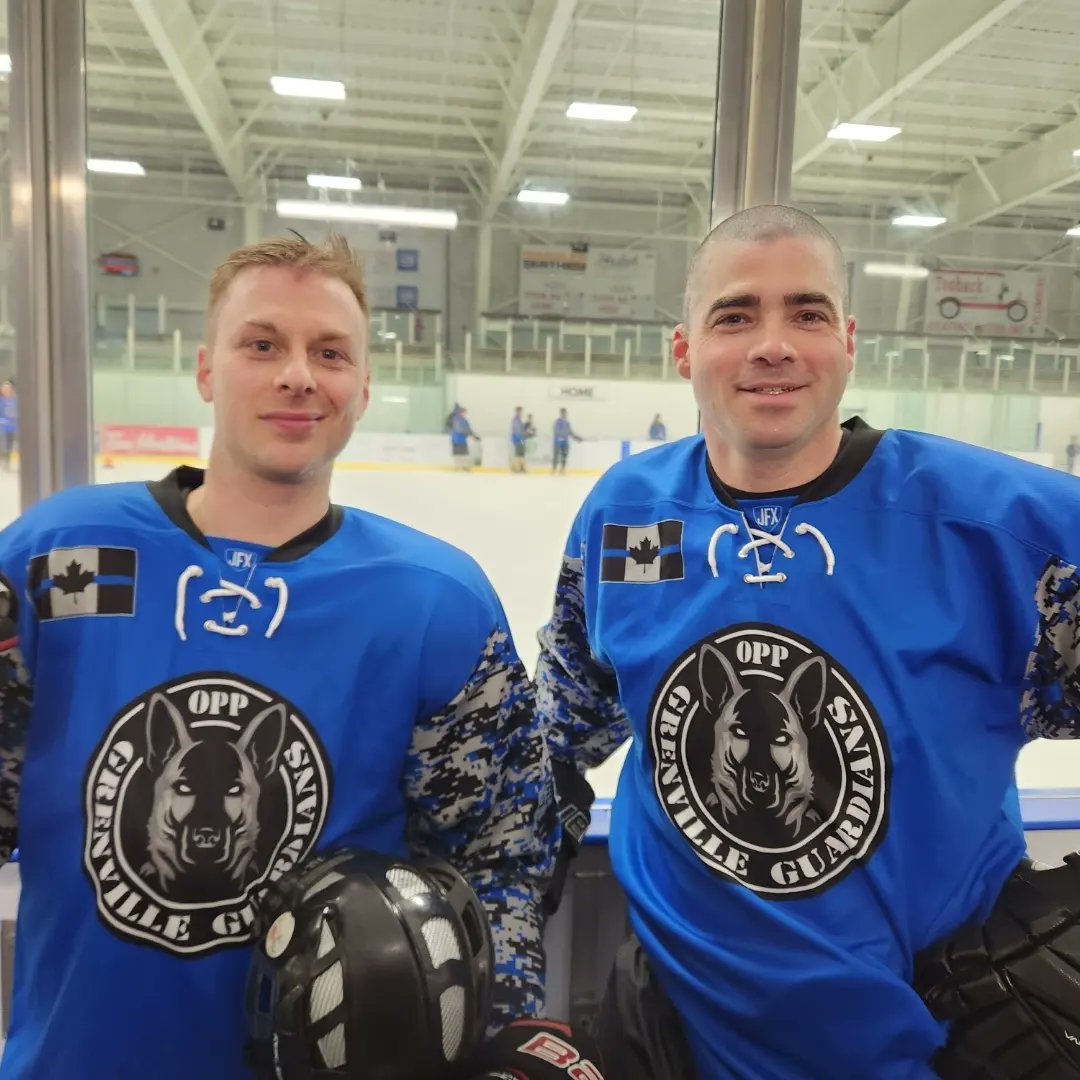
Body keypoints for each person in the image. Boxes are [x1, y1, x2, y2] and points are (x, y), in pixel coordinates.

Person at [535, 204, 1080, 1078]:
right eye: (736, 315)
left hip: (931, 1042)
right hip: (668, 1035)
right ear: (685, 350)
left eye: (808, 313)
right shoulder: (628, 514)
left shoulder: (1001, 527)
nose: (773, 344)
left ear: (849, 340)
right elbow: (556, 740)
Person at [0, 234, 557, 1079]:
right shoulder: (54, 557)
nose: (298, 374)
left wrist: (491, 1032)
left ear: (362, 387)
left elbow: (505, 850)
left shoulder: (433, 600)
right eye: (262, 344)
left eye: (329, 352)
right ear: (206, 369)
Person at [552, 408, 582, 475]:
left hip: (565, 442)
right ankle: (554, 469)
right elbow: (556, 431)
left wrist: (576, 437)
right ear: (561, 413)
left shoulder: (567, 423)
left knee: (564, 456)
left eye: (565, 413)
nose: (565, 414)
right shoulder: (558, 422)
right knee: (556, 456)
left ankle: (562, 470)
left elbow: (570, 432)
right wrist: (562, 436)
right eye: (563, 413)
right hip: (558, 441)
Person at [450, 405, 480, 470]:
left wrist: (474, 436)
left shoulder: (464, 420)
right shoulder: (456, 419)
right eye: (464, 412)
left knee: (465, 453)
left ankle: (464, 466)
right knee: (457, 454)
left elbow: (468, 429)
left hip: (462, 440)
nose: (465, 414)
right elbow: (459, 429)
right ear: (460, 412)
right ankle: (457, 466)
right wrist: (468, 433)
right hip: (456, 439)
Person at [0, 379, 17, 469]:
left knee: (11, 444)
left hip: (13, 427)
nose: (6, 390)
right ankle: (5, 461)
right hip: (3, 427)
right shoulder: (1, 401)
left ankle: (9, 462)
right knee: (4, 444)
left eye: (8, 389)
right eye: (4, 389)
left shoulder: (14, 401)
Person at [510, 405, 528, 474]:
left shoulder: (519, 420)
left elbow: (521, 430)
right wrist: (517, 438)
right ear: (517, 411)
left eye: (521, 411)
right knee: (518, 454)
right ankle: (516, 468)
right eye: (519, 411)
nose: (520, 412)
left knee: (522, 454)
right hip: (518, 439)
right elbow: (516, 430)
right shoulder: (516, 420)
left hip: (521, 439)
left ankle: (522, 468)